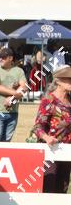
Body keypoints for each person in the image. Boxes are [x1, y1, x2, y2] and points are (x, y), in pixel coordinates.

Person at [33, 65, 71, 193]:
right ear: (58, 81)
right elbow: (37, 127)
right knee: (49, 187)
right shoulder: (49, 101)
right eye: (68, 79)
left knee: (63, 187)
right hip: (51, 150)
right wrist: (46, 137)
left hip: (67, 151)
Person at [0, 47, 27, 142]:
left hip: (13, 112)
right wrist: (16, 93)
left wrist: (12, 98)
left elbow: (24, 87)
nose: (0, 59)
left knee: (6, 141)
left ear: (10, 58)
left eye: (3, 57)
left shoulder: (19, 71)